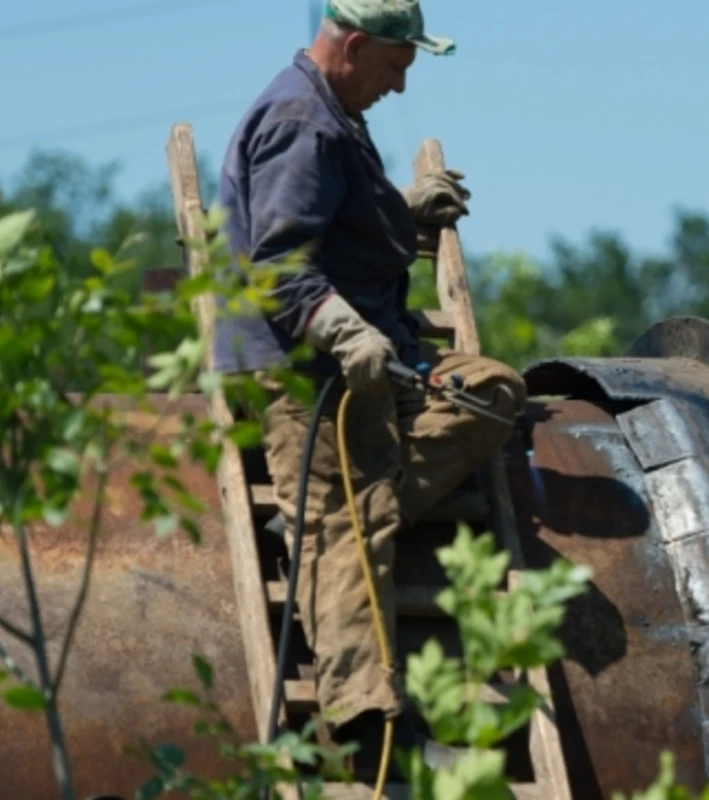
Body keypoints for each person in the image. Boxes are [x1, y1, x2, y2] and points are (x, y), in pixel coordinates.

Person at [213, 0, 526, 776]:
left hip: (373, 364)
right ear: (353, 46)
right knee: (346, 529)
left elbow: (333, 215)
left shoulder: (331, 114)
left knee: (492, 393)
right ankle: (363, 731)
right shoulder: (303, 122)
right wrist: (348, 334)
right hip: (303, 369)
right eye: (395, 66)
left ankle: (344, 512)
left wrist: (400, 208)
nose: (398, 85)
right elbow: (279, 263)